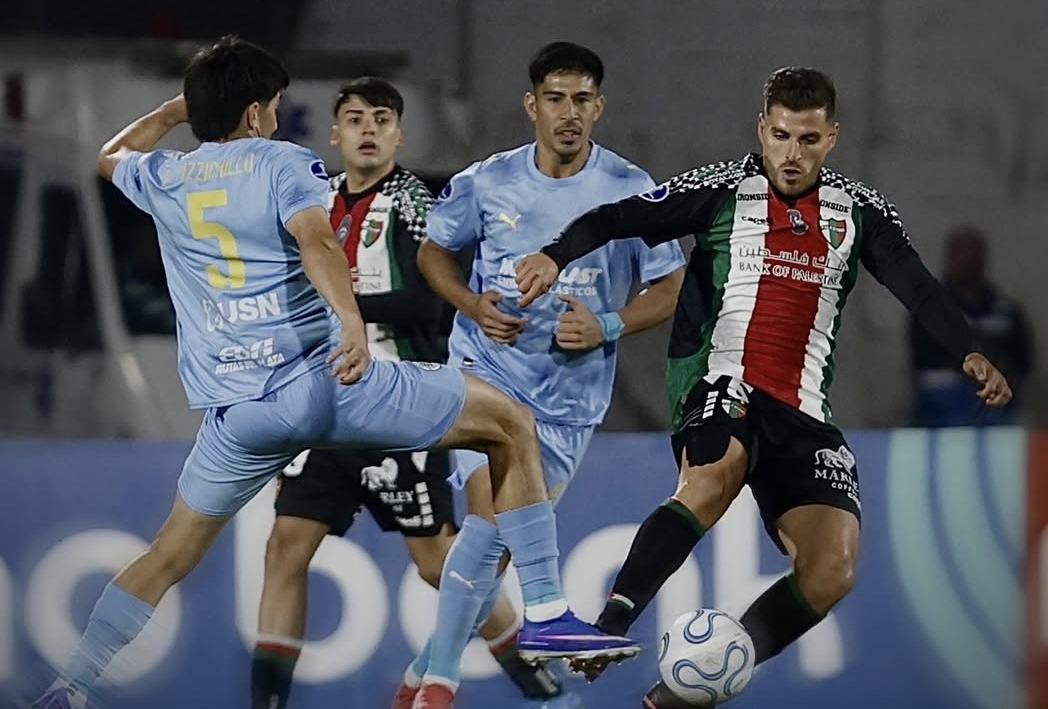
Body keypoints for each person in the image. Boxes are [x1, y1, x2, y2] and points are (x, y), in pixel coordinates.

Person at [29, 35, 637, 709]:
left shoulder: (167, 176)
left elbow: (111, 154)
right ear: (258, 113)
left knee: (169, 553)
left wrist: (178, 110)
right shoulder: (284, 162)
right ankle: (547, 611)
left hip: (237, 415)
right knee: (510, 422)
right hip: (327, 388)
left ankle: (72, 683)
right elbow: (318, 240)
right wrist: (350, 324)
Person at [515, 66, 1013, 708]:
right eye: (780, 136)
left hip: (804, 411)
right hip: (722, 381)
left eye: (808, 140)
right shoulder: (721, 189)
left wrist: (970, 349)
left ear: (831, 138)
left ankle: (700, 681)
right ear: (762, 129)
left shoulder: (858, 210)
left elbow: (915, 284)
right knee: (712, 477)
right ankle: (608, 626)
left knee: (832, 571)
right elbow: (617, 218)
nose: (792, 154)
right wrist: (556, 253)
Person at [249, 77, 564, 708]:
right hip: (323, 410)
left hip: (397, 403)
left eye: (383, 119)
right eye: (356, 119)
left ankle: (544, 687)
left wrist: (342, 308)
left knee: (435, 565)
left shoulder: (414, 201)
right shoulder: (315, 204)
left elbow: (428, 301)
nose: (368, 130)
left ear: (399, 134)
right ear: (333, 134)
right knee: (286, 547)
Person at [393, 41, 686, 709]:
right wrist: (470, 304)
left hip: (567, 402)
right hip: (485, 369)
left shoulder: (631, 190)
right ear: (533, 105)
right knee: (487, 519)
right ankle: (440, 686)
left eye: (582, 99)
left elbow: (670, 285)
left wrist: (608, 325)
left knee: (493, 546)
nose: (568, 113)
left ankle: (422, 677)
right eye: (555, 98)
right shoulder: (487, 181)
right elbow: (434, 251)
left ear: (599, 107)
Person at [909, 224, 1033, 426]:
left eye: (974, 253)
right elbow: (923, 358)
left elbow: (1023, 361)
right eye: (961, 252)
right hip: (941, 406)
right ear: (949, 257)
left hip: (994, 405)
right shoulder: (928, 309)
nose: (968, 260)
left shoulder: (1006, 311)